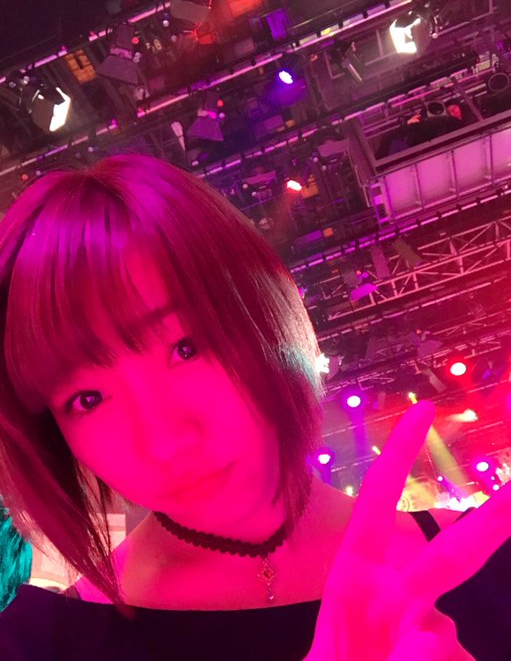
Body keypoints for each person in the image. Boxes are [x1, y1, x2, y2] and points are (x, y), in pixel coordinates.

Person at [0, 153, 510, 660]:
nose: (164, 439)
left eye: (186, 348)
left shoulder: (489, 563)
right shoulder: (40, 646)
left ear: (268, 313)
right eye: (87, 399)